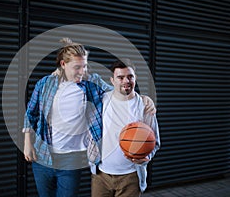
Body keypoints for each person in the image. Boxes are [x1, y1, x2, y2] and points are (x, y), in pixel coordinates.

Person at [23, 38, 156, 197]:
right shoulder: (45, 84)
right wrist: (27, 143)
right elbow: (31, 113)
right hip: (43, 155)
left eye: (84, 66)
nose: (82, 71)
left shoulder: (91, 83)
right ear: (63, 65)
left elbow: (119, 92)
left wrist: (142, 99)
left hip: (71, 159)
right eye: (77, 67)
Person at [89, 59, 160, 197]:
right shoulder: (101, 101)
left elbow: (155, 141)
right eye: (120, 77)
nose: (126, 81)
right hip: (101, 175)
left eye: (130, 76)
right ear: (112, 80)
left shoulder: (144, 107)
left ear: (135, 78)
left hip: (131, 176)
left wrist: (146, 157)